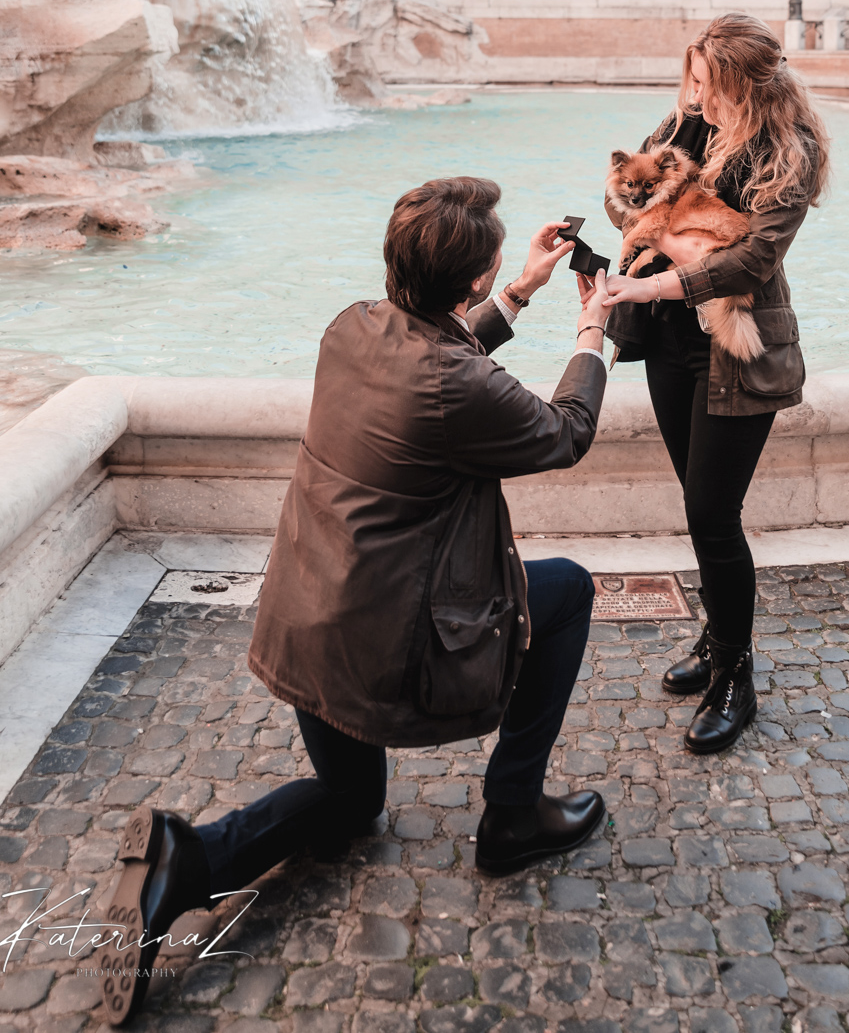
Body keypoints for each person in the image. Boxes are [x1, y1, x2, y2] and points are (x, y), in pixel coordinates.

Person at [97, 179, 613, 1027]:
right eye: (492, 266)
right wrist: (595, 329)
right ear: (467, 284)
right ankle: (513, 817)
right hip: (384, 640)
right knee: (568, 591)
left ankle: (186, 861)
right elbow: (564, 433)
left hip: (307, 615)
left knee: (351, 804)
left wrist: (519, 290)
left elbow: (437, 374)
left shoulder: (351, 328)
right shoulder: (455, 385)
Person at [604, 16, 829, 756]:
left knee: (712, 510)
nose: (692, 95)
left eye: (708, 83)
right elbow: (622, 198)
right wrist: (644, 227)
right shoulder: (681, 123)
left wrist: (657, 269)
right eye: (690, 78)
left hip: (734, 350)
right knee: (700, 508)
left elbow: (753, 261)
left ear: (743, 85)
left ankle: (735, 672)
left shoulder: (785, 152)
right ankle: (715, 638)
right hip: (671, 343)